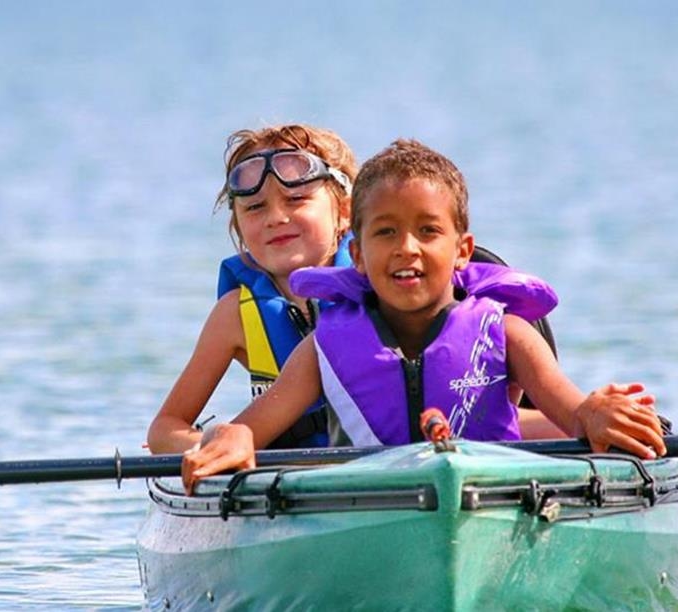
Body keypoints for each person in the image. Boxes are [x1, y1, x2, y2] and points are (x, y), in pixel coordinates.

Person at [181, 139, 664, 493]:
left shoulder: (510, 333)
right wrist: (228, 439)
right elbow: (250, 429)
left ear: (463, 250)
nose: (407, 248)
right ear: (358, 255)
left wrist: (596, 414)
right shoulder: (321, 349)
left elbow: (573, 412)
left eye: (428, 231)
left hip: (494, 506)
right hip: (364, 513)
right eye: (386, 232)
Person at [147, 125, 563, 454]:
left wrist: (582, 417)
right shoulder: (236, 315)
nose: (275, 217)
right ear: (237, 226)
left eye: (296, 199)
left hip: (412, 448)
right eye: (255, 208)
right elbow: (165, 429)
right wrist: (220, 444)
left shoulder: (396, 289)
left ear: (346, 213)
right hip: (292, 478)